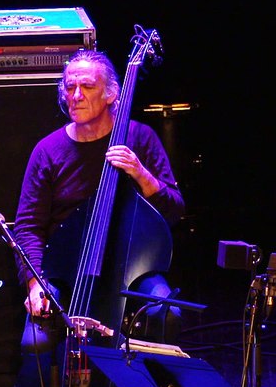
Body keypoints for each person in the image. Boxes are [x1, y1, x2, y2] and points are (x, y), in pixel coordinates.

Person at [13, 48, 185, 326]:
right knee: (37, 340)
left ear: (111, 94)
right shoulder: (47, 151)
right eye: (70, 87)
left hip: (133, 267)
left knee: (167, 316)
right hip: (66, 267)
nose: (76, 95)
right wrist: (35, 283)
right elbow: (28, 226)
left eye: (87, 87)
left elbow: (174, 211)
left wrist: (141, 174)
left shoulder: (139, 137)